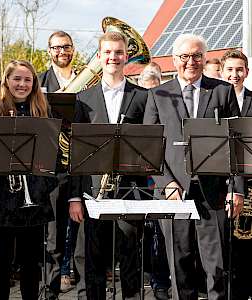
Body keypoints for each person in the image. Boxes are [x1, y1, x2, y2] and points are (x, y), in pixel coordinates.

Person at [143, 33, 244, 300]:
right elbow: (150, 149)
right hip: (173, 194)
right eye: (185, 56)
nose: (191, 62)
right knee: (179, 265)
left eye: (197, 56)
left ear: (205, 58)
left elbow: (236, 145)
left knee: (217, 267)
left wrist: (237, 190)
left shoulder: (222, 91)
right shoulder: (157, 95)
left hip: (214, 192)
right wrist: (166, 184)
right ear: (175, 59)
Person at [70, 31, 149, 300]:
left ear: (126, 56)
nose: (113, 57)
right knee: (91, 261)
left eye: (118, 52)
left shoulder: (143, 97)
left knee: (130, 258)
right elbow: (76, 155)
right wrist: (74, 198)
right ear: (99, 56)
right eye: (107, 52)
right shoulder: (83, 99)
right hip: (93, 192)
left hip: (130, 190)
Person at [0, 60, 56, 300]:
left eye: (28, 80)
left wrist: (44, 184)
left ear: (34, 84)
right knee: (1, 265)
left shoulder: (43, 112)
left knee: (31, 264)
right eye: (17, 78)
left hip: (34, 200)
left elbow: (55, 158)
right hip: (2, 200)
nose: (22, 84)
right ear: (6, 81)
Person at [38, 30, 82, 299]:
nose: (61, 51)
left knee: (80, 232)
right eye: (55, 48)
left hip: (79, 163)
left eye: (66, 47)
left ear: (73, 49)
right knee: (54, 233)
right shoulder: (41, 81)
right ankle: (51, 287)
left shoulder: (87, 80)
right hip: (52, 165)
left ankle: (79, 280)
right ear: (49, 51)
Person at [137, 63, 171, 300]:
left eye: (154, 89)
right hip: (139, 179)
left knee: (158, 231)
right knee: (144, 232)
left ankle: (160, 281)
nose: (150, 94)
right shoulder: (138, 104)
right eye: (146, 89)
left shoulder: (165, 102)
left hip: (160, 178)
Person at [221, 49, 252, 300]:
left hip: (250, 181)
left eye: (239, 69)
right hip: (223, 181)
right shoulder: (214, 99)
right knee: (225, 243)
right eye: (230, 69)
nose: (234, 74)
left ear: (247, 72)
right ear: (222, 72)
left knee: (247, 243)